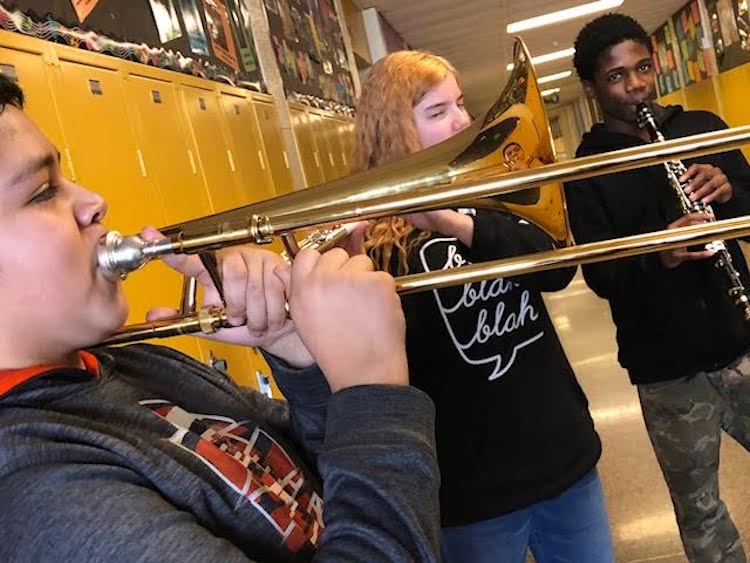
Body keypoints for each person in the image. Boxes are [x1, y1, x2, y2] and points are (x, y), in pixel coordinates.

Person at [0, 75, 441, 562]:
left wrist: (298, 354)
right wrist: (372, 388)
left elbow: (330, 479)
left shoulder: (129, 361)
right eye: (43, 192)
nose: (93, 201)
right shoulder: (40, 494)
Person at [353, 50, 613, 562]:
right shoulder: (374, 241)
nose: (463, 121)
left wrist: (457, 222)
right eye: (437, 111)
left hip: (560, 452)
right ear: (393, 131)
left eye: (460, 104)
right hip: (469, 485)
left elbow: (557, 268)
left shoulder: (494, 193)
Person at [565, 13, 750, 562]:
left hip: (740, 340)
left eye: (642, 67)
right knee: (700, 511)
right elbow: (601, 277)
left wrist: (727, 191)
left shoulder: (699, 126)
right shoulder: (586, 169)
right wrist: (660, 253)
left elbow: (748, 200)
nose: (636, 85)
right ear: (592, 88)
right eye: (617, 76)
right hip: (666, 369)